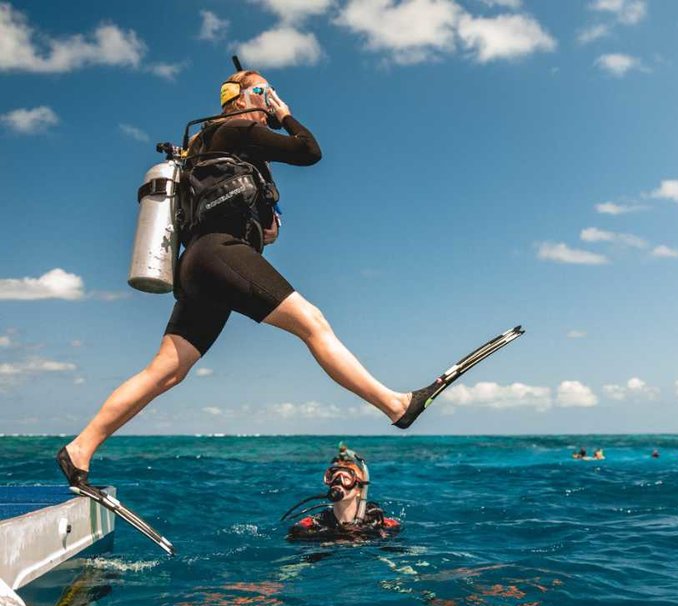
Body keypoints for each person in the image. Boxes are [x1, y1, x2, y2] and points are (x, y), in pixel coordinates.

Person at [56, 70, 450, 491]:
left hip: (198, 265)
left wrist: (262, 231)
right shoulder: (237, 128)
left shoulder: (204, 148)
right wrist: (285, 116)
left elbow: (237, 216)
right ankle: (395, 405)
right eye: (262, 91)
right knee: (312, 323)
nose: (270, 98)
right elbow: (309, 151)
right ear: (239, 99)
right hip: (218, 253)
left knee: (167, 371)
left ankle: (80, 449)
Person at [284, 444, 400, 541]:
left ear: (359, 490)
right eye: (334, 478)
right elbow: (295, 533)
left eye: (346, 479)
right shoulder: (318, 522)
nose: (338, 482)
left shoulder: (379, 522)